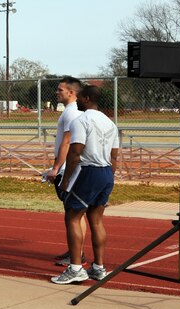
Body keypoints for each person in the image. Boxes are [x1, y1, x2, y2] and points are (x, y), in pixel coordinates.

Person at [51, 85, 120, 285]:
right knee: (96, 220)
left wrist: (65, 181)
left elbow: (75, 152)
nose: (77, 100)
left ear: (87, 98)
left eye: (80, 97)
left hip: (88, 171)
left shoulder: (81, 120)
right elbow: (114, 156)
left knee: (72, 216)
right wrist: (109, 177)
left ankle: (75, 268)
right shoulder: (110, 123)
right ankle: (98, 267)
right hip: (106, 172)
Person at [45, 77, 86, 266]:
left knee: (74, 214)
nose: (57, 92)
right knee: (75, 213)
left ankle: (77, 254)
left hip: (70, 169)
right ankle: (74, 250)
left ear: (71, 92)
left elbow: (67, 142)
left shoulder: (72, 113)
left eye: (60, 90)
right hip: (72, 167)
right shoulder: (72, 112)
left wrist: (56, 168)